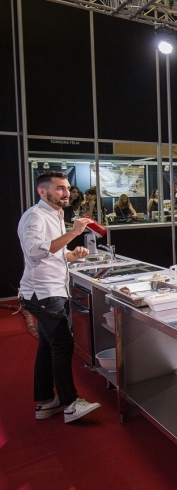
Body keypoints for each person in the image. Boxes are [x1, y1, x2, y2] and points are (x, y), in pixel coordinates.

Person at [18, 170, 101, 423]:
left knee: (48, 345)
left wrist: (71, 255)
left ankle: (45, 402)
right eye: (59, 188)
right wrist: (74, 233)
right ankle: (70, 403)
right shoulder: (35, 216)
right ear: (42, 191)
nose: (66, 193)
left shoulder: (56, 214)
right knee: (63, 344)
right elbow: (34, 252)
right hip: (43, 293)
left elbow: (52, 252)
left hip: (54, 289)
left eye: (66, 188)